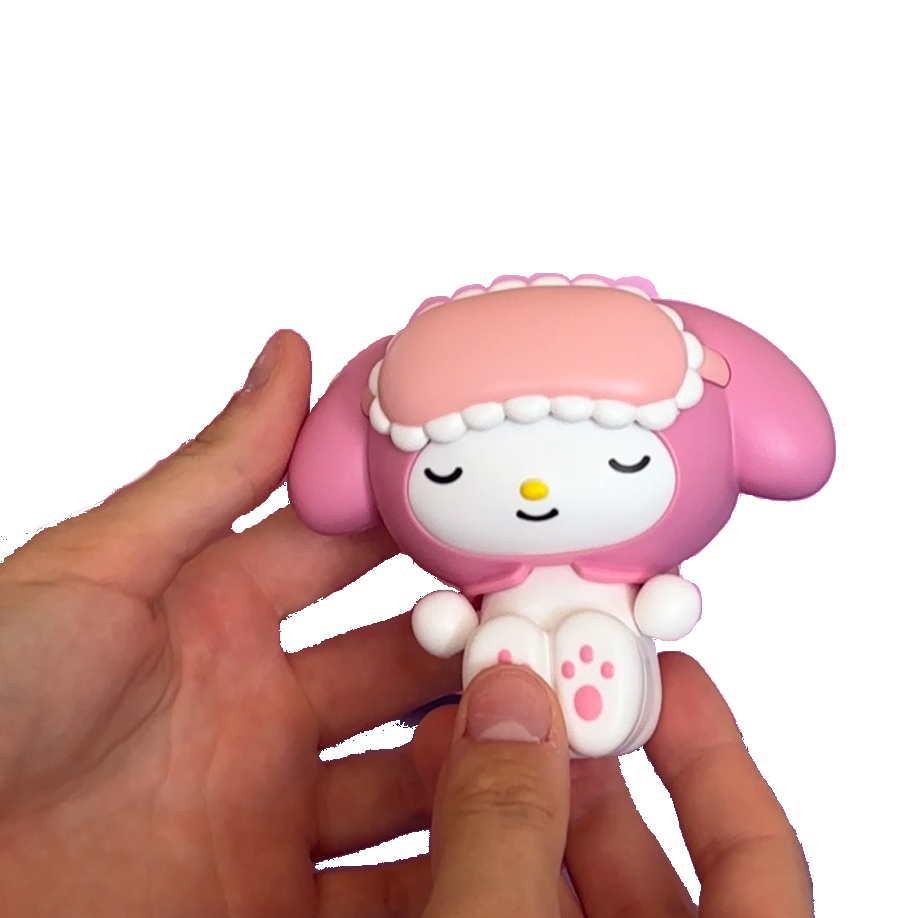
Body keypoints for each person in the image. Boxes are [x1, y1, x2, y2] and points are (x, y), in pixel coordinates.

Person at [0, 331, 814, 917]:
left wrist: (656, 605)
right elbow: (332, 502)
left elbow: (798, 453)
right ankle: (550, 674)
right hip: (507, 638)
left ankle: (582, 676)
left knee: (526, 661)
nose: (536, 493)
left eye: (623, 463)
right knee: (501, 655)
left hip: (590, 642)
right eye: (449, 473)